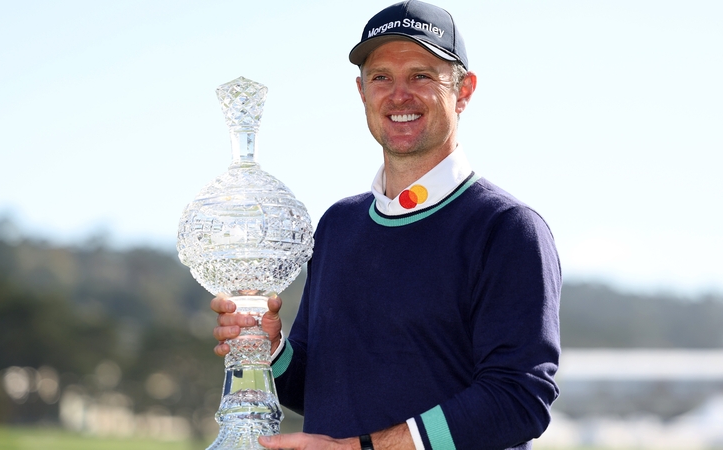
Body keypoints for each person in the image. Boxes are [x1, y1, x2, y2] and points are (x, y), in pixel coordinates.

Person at [212, 1, 562, 448]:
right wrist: (271, 351)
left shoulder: (507, 228)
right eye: (381, 78)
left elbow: (519, 398)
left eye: (421, 75)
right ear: (362, 91)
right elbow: (317, 389)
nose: (399, 95)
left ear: (464, 90)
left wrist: (364, 448)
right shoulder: (338, 225)